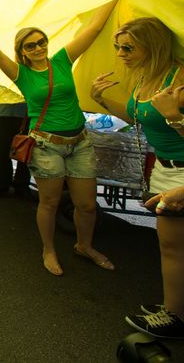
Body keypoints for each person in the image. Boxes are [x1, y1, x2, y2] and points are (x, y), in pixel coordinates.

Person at [0, 0, 116, 276]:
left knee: (87, 205)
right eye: (30, 45)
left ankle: (84, 246)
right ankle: (49, 250)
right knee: (50, 203)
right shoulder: (22, 74)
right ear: (22, 52)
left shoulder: (62, 60)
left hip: (80, 142)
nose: (38, 48)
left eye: (41, 42)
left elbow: (93, 28)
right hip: (46, 146)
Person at [90, 17, 184, 338]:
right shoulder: (145, 76)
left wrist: (175, 117)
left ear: (152, 45)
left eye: (128, 48)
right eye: (118, 47)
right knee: (171, 247)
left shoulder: (178, 79)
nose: (121, 54)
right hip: (163, 170)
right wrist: (102, 101)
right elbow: (139, 117)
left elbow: (168, 119)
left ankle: (175, 316)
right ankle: (175, 308)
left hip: (182, 173)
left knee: (173, 248)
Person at [0, 102, 32, 198]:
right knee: (1, 151)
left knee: (25, 151)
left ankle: (21, 184)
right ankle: (2, 183)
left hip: (27, 113)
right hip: (4, 112)